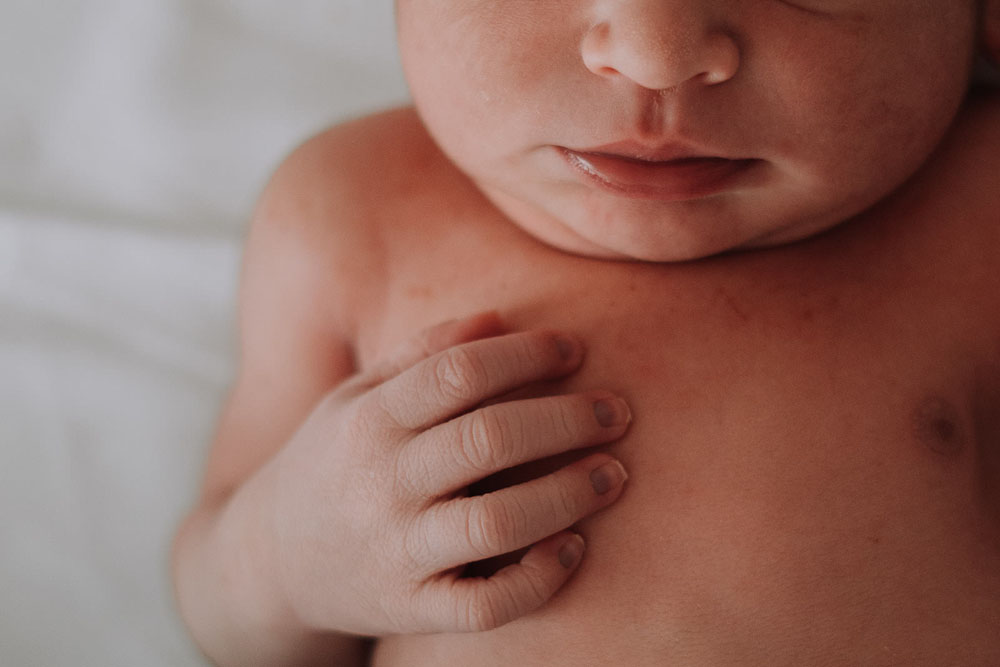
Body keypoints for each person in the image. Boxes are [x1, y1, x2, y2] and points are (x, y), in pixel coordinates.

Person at [171, 1, 1000, 665]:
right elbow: (219, 594)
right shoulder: (351, 211)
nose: (653, 51)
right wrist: (282, 560)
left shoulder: (976, 212)